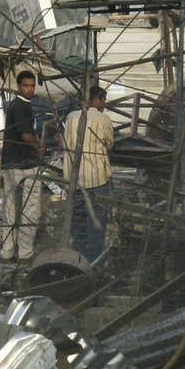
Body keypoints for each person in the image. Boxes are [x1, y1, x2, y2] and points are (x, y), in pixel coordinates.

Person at [0, 70, 44, 267]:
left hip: (11, 163)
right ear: (18, 86)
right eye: (26, 85)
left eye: (32, 85)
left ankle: (7, 253)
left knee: (10, 208)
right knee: (30, 209)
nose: (30, 89)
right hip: (25, 164)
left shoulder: (15, 105)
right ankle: (25, 254)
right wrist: (39, 146)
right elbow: (26, 136)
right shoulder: (21, 106)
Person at [63, 85, 113, 264]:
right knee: (97, 222)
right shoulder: (104, 119)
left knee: (78, 221)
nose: (104, 105)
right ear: (97, 100)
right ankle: (93, 261)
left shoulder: (70, 117)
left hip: (74, 179)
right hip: (96, 178)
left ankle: (77, 258)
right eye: (103, 101)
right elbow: (109, 145)